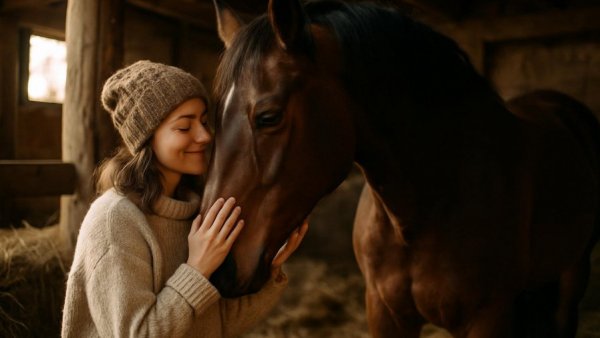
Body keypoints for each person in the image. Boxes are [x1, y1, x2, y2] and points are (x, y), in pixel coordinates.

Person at [61, 60, 308, 338]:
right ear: (146, 139)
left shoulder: (197, 213)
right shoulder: (114, 221)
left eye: (204, 121)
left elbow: (220, 325)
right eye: (184, 127)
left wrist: (271, 272)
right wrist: (198, 268)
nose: (204, 136)